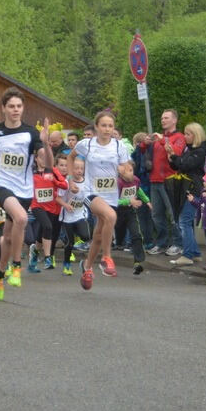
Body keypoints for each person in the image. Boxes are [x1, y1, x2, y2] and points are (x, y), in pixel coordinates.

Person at [0, 87, 51, 301]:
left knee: (7, 236)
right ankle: (17, 266)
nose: (15, 110)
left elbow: (45, 160)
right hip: (1, 185)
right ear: (4, 108)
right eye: (11, 106)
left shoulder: (30, 133)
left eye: (19, 106)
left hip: (23, 189)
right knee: (22, 218)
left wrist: (45, 143)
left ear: (23, 108)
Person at [72, 110, 130, 289]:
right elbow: (70, 156)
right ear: (96, 127)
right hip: (90, 193)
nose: (107, 129)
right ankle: (107, 258)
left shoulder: (120, 146)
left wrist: (125, 173)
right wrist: (71, 179)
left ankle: (87, 267)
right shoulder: (86, 144)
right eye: (103, 125)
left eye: (110, 126)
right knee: (111, 217)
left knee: (98, 235)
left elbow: (128, 172)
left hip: (110, 195)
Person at [141, 109, 186, 256]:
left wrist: (162, 140)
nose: (163, 120)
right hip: (154, 179)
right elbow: (142, 153)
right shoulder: (157, 139)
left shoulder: (179, 136)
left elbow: (176, 153)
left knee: (173, 214)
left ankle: (178, 243)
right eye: (161, 118)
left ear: (174, 120)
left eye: (166, 118)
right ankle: (161, 243)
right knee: (157, 214)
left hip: (170, 181)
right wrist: (144, 144)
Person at [166, 122, 206, 265]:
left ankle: (188, 255)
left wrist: (175, 158)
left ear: (195, 135)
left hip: (193, 188)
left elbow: (185, 165)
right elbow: (177, 165)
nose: (185, 136)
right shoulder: (189, 149)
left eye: (188, 134)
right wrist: (171, 155)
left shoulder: (200, 151)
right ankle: (195, 253)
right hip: (187, 187)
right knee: (186, 221)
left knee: (184, 221)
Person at [28, 151, 67, 271]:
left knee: (41, 235)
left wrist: (54, 181)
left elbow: (64, 185)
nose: (44, 160)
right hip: (37, 206)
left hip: (51, 207)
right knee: (48, 227)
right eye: (41, 158)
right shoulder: (30, 172)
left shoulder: (53, 171)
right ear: (36, 159)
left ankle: (34, 255)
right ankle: (48, 257)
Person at [114, 161, 149, 275]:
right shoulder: (118, 183)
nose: (130, 174)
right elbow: (114, 201)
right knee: (119, 238)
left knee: (136, 235)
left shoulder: (136, 180)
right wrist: (129, 201)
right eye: (127, 171)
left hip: (130, 211)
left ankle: (137, 263)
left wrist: (147, 201)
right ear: (121, 172)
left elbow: (138, 190)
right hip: (117, 212)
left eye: (131, 170)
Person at [58, 156, 90, 276]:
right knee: (69, 243)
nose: (79, 170)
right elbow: (58, 198)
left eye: (81, 168)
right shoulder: (66, 183)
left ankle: (80, 246)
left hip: (80, 214)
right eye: (76, 168)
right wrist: (66, 205)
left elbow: (89, 196)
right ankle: (66, 264)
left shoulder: (86, 181)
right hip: (67, 217)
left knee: (86, 236)